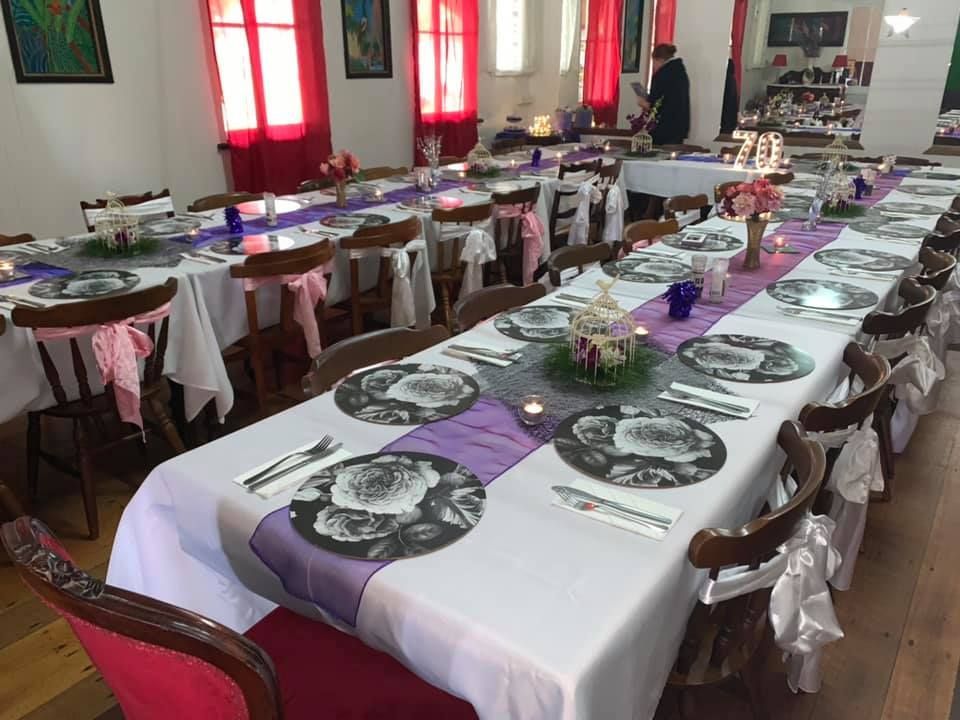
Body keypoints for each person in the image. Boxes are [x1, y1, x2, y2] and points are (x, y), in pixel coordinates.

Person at [638, 43, 691, 146]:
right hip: (679, 127)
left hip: (663, 128)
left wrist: (643, 103)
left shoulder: (662, 75)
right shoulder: (681, 71)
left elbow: (654, 104)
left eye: (654, 62)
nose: (654, 66)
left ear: (659, 60)